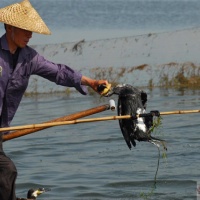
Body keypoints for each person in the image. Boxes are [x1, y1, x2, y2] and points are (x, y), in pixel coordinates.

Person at [0, 0, 110, 199]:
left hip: (1, 128)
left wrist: (91, 82)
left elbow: (58, 72)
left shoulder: (29, 58)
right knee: (7, 170)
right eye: (25, 29)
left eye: (31, 30)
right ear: (9, 27)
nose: (30, 35)